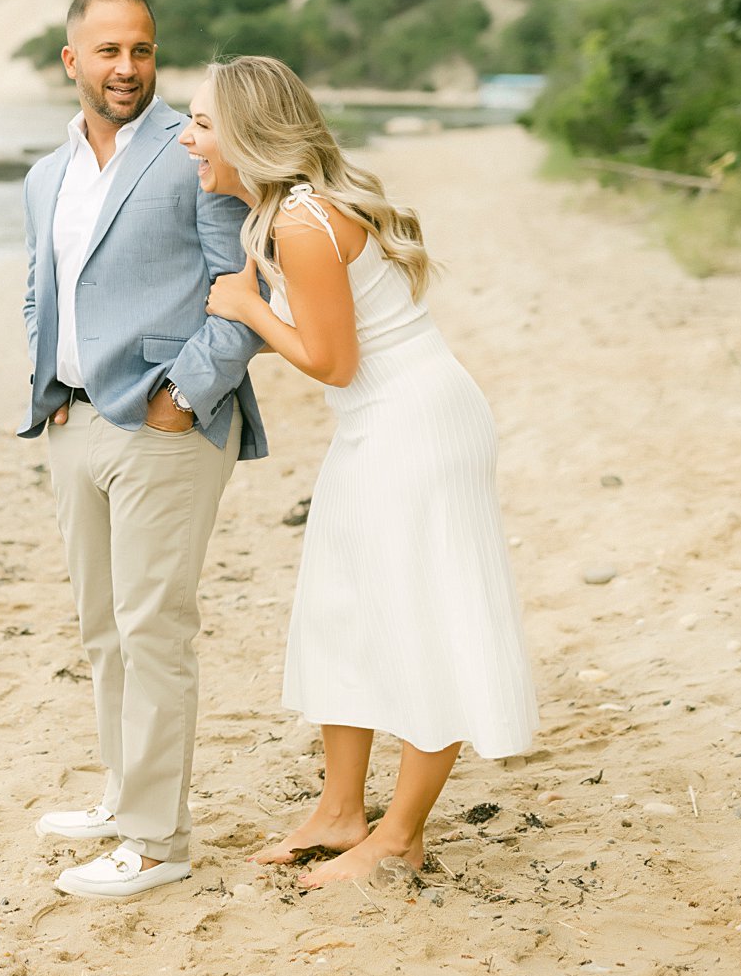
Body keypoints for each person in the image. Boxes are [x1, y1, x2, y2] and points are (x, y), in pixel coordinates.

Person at [186, 54, 537, 890]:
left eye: (200, 124)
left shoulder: (301, 224)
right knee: (343, 608)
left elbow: (332, 362)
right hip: (382, 424)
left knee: (421, 618)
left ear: (245, 134)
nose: (189, 141)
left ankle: (399, 834)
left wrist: (247, 309)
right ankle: (342, 810)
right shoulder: (284, 210)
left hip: (412, 425)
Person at [19, 0, 267, 899]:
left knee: (153, 627)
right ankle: (127, 795)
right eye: (110, 50)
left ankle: (159, 842)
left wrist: (185, 392)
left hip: (167, 425)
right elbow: (40, 288)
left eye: (144, 50)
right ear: (71, 60)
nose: (128, 68)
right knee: (102, 629)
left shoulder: (193, 150)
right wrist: (45, 389)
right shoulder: (46, 175)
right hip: (74, 421)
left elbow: (244, 285)